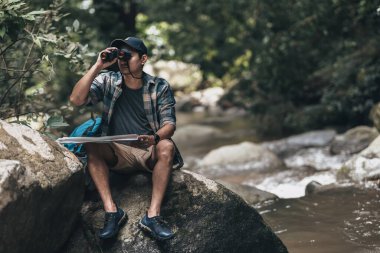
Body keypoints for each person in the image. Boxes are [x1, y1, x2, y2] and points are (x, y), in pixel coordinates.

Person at [69, 37, 183, 240]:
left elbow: (170, 125)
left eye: (127, 55)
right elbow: (76, 100)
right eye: (119, 55)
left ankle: (152, 216)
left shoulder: (159, 86)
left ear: (143, 59)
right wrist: (98, 65)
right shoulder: (108, 80)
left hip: (148, 151)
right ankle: (112, 211)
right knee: (91, 145)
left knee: (166, 146)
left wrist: (154, 138)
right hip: (117, 153)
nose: (122, 60)